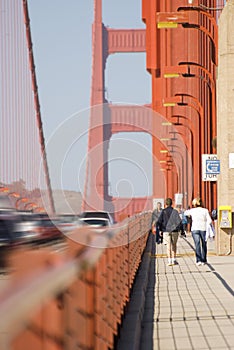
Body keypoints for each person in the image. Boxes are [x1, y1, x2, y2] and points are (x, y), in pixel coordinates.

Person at [184, 197, 212, 266]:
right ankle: (204, 259)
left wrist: (188, 217)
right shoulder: (205, 210)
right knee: (204, 244)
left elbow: (185, 213)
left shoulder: (192, 210)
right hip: (203, 228)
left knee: (197, 244)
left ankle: (198, 260)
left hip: (195, 228)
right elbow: (210, 220)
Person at [157, 198, 182, 266]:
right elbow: (179, 221)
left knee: (168, 246)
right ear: (172, 204)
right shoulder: (175, 211)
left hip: (166, 231)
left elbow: (159, 221)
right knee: (174, 245)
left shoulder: (163, 211)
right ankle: (174, 259)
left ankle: (169, 260)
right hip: (174, 230)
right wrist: (180, 229)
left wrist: (160, 230)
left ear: (165, 204)